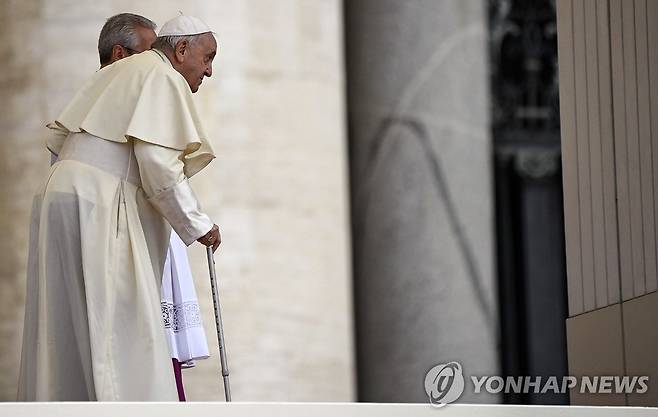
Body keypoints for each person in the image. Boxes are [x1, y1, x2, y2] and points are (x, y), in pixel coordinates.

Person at [18, 14, 220, 401]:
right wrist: (198, 224)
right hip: (99, 200)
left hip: (59, 195)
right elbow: (159, 166)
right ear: (180, 50)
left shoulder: (119, 72)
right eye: (207, 58)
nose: (208, 71)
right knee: (118, 327)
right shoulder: (161, 75)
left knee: (62, 328)